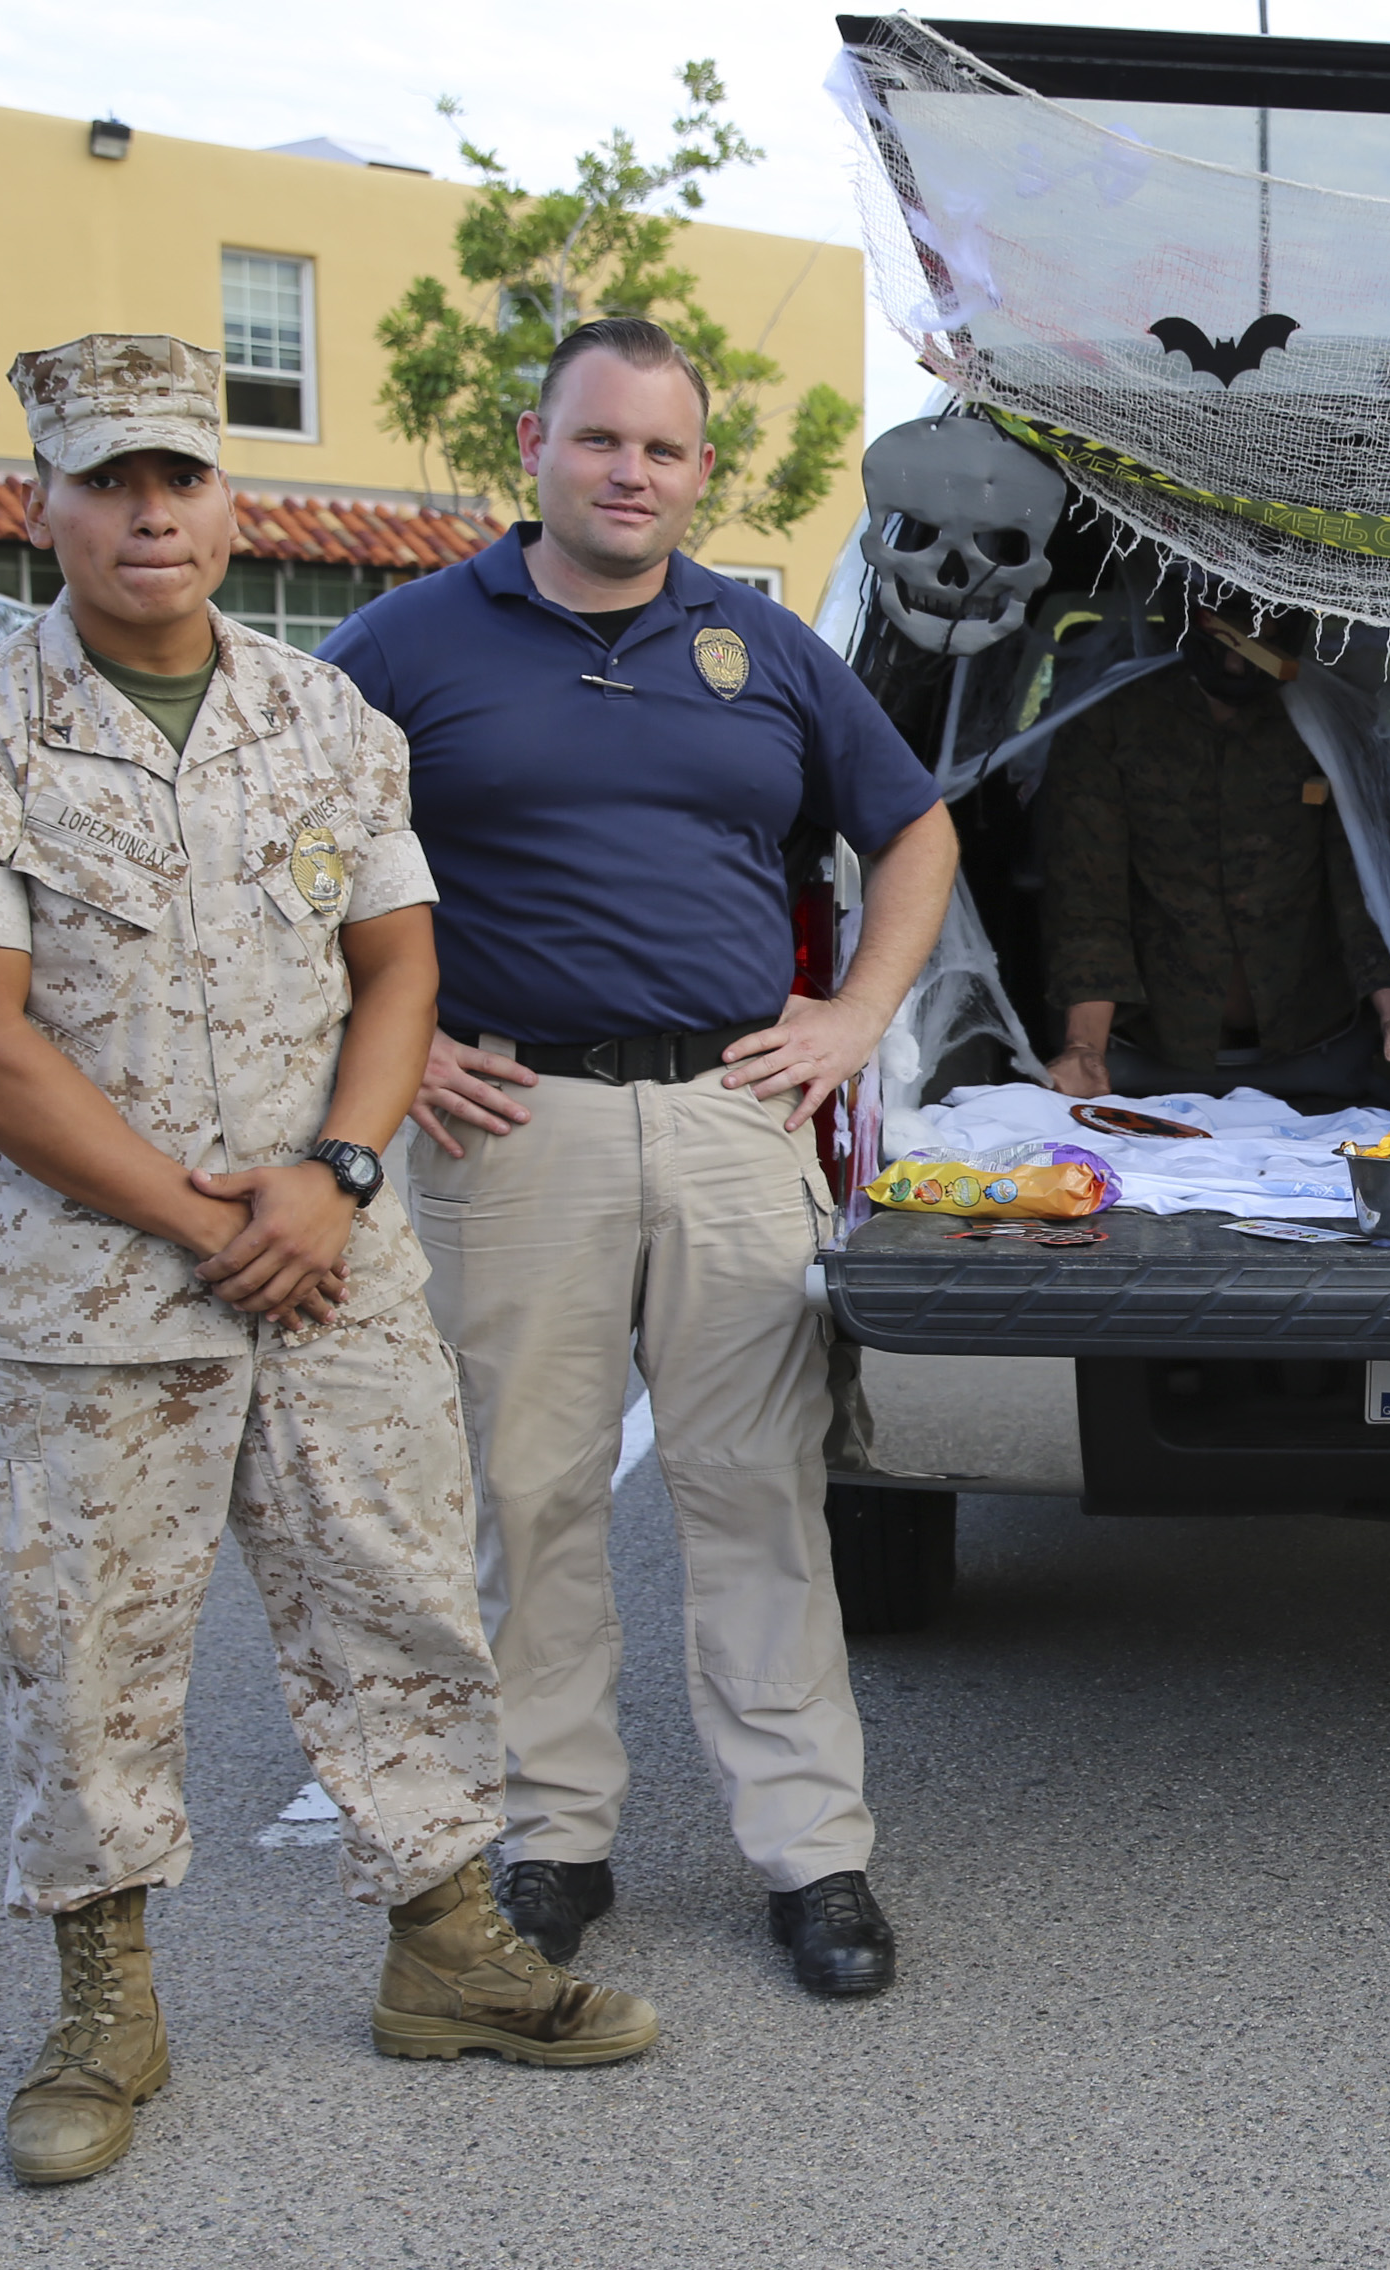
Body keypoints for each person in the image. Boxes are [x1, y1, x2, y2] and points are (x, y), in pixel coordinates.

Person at [0, 336, 654, 2186]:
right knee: (83, 1648)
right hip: (92, 1301)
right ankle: (106, 2007)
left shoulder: (332, 721)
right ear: (44, 505)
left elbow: (400, 970)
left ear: (231, 504)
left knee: (403, 1600)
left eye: (182, 478)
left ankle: (448, 1952)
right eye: (109, 481)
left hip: (332, 1271)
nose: (150, 514)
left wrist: (338, 1173)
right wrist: (214, 1216)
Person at [316, 318, 959, 1999]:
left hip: (733, 1119)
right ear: (534, 444)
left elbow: (914, 825)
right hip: (512, 1122)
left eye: (663, 450)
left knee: (760, 1495)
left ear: (700, 472)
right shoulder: (403, 644)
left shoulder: (763, 645)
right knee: (527, 1497)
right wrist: (388, 1038)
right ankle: (550, 1839)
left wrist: (854, 1016)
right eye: (599, 439)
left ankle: (811, 1855)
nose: (630, 473)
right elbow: (273, 855)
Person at [1039, 607, 1390, 1107]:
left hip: (1316, 1040)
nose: (1238, 666)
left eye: (1262, 645)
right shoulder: (1113, 725)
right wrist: (1085, 1047)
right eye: (1227, 644)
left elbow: (1363, 883)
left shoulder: (1325, 725)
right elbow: (1088, 894)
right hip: (1149, 1043)